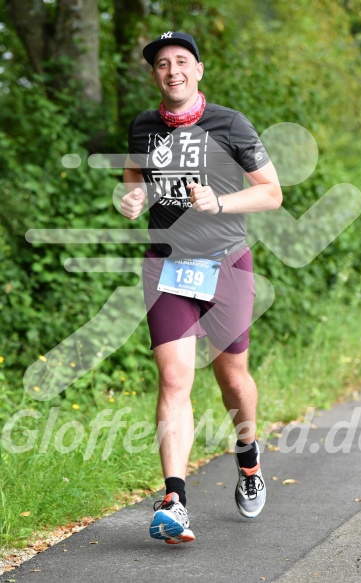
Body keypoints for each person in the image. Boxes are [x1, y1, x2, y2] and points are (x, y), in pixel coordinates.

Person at [121, 31, 282, 544]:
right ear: (155, 75)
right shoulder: (144, 128)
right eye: (163, 64)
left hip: (226, 264)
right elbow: (133, 181)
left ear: (199, 69)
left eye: (182, 62)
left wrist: (220, 203)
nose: (173, 71)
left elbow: (271, 194)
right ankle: (174, 499)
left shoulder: (230, 124)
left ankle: (250, 459)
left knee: (232, 378)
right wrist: (129, 200)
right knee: (173, 380)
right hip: (167, 266)